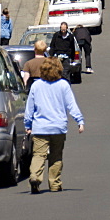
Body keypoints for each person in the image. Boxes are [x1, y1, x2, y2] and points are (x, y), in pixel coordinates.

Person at [24, 57, 84, 194]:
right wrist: (79, 121)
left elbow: (30, 108)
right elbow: (71, 105)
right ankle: (55, 183)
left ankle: (35, 177)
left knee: (38, 154)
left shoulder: (36, 85)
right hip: (58, 127)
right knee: (56, 156)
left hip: (40, 127)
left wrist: (28, 124)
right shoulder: (63, 85)